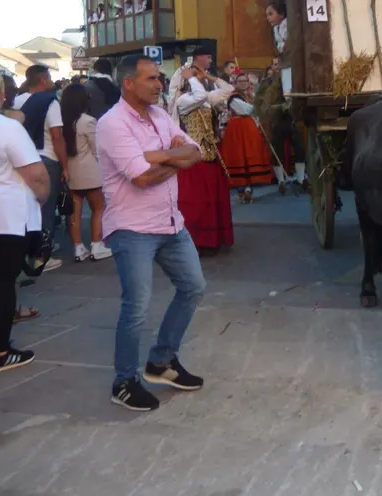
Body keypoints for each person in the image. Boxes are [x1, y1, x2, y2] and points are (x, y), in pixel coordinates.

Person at [95, 54, 207, 412]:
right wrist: (173, 159)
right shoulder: (113, 124)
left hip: (171, 223)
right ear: (129, 83)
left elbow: (197, 151)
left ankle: (161, 362)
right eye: (152, 79)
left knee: (193, 287)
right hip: (132, 229)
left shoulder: (159, 115)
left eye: (160, 78)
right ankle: (124, 381)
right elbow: (140, 177)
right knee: (137, 308)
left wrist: (157, 156)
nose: (160, 84)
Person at [0, 66, 50, 373]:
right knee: (0, 284)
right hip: (4, 215)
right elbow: (35, 175)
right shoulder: (4, 127)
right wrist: (43, 197)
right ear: (3, 94)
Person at [168, 51, 235, 252]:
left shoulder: (206, 98)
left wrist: (208, 77)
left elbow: (229, 89)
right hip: (193, 157)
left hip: (210, 155)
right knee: (196, 201)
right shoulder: (183, 101)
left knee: (212, 200)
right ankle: (195, 240)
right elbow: (198, 95)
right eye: (195, 76)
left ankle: (212, 239)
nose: (199, 78)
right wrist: (189, 77)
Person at [14, 65, 67, 271]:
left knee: (27, 208)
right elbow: (57, 136)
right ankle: (42, 256)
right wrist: (65, 166)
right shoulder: (50, 102)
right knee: (46, 206)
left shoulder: (16, 102)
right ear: (43, 80)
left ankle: (28, 250)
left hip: (21, 160)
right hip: (46, 158)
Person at [60, 84, 112, 262]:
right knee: (98, 208)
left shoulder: (61, 120)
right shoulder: (87, 121)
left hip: (71, 171)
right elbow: (96, 148)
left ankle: (78, 248)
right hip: (90, 171)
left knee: (74, 212)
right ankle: (97, 245)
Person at [219, 72, 275, 203]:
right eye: (240, 81)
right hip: (237, 130)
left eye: (245, 81)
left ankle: (248, 188)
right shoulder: (234, 97)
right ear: (236, 83)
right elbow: (247, 110)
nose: (243, 83)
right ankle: (242, 188)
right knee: (239, 157)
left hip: (249, 130)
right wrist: (256, 104)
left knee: (250, 155)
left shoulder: (248, 96)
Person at [266, 2, 291, 97]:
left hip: (291, 61)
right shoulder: (275, 28)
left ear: (281, 14)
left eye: (271, 14)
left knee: (289, 91)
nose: (268, 18)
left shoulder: (288, 25)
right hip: (284, 62)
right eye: (267, 15)